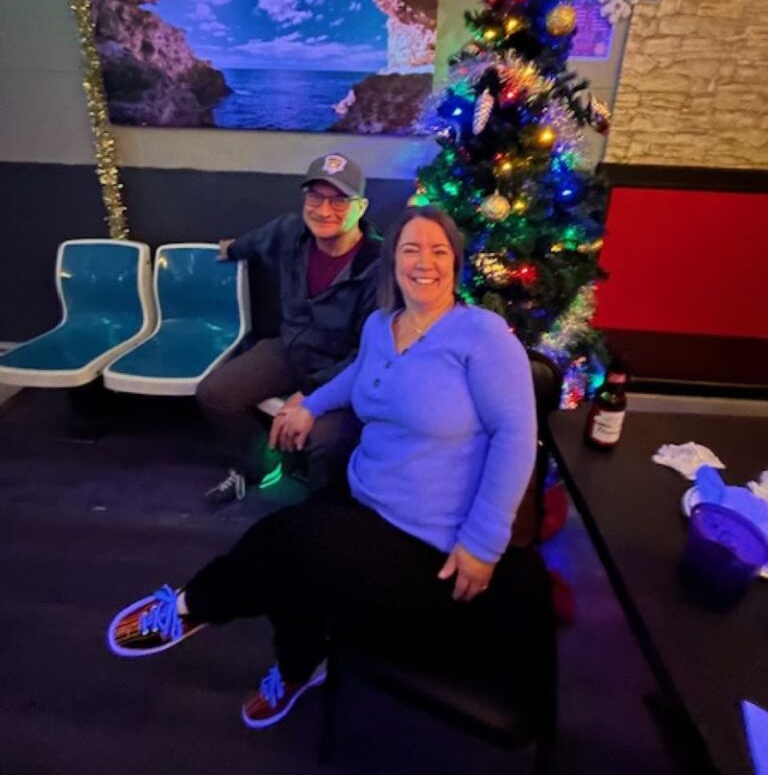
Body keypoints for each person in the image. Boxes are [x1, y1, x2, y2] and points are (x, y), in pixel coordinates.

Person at [107, 207, 543, 733]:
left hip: (430, 540)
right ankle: (299, 668)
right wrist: (310, 405)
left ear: (456, 263)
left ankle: (190, 605)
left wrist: (483, 543)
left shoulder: (483, 336)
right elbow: (360, 374)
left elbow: (517, 436)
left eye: (438, 251)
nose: (423, 262)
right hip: (364, 497)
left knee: (282, 539)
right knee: (295, 568)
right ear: (392, 263)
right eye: (410, 250)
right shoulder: (384, 326)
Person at [198, 152, 381, 505]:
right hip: (290, 349)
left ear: (362, 207)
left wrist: (311, 393)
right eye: (315, 198)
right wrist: (229, 249)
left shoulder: (377, 265)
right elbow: (251, 243)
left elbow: (368, 352)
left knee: (324, 441)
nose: (324, 211)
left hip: (343, 370)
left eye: (340, 200)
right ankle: (263, 467)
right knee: (215, 393)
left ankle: (319, 509)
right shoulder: (289, 232)